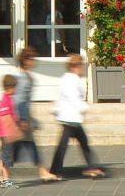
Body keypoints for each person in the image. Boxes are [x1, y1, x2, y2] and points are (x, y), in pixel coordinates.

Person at [45, 50, 107, 179]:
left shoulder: (68, 79)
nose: (81, 68)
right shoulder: (71, 80)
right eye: (80, 65)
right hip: (70, 118)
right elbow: (73, 98)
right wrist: (85, 108)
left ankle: (59, 170)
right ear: (74, 66)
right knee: (67, 146)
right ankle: (56, 171)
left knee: (79, 143)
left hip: (71, 118)